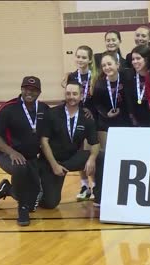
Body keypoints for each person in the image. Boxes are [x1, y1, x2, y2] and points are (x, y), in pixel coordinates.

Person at [0, 76, 50, 226]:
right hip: (8, 155)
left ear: (39, 92)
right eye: (26, 89)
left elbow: (62, 116)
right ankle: (22, 208)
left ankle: (7, 189)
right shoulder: (8, 108)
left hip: (32, 158)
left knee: (35, 200)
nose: (30, 92)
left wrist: (85, 111)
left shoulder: (43, 109)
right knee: (20, 167)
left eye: (34, 90)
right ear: (21, 89)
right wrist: (11, 152)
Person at [39, 80, 105, 210]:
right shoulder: (52, 114)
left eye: (75, 94)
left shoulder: (86, 117)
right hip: (52, 161)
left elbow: (95, 143)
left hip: (71, 159)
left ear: (81, 96)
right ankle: (14, 190)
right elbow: (43, 141)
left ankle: (99, 197)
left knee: (100, 157)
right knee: (50, 203)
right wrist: (54, 165)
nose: (71, 97)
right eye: (68, 93)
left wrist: (91, 159)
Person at [63, 45, 98, 202]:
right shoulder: (71, 77)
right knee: (79, 151)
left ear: (90, 60)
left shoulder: (96, 76)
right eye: (78, 56)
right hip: (76, 118)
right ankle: (84, 186)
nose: (80, 60)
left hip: (92, 118)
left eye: (84, 57)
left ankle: (96, 185)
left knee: (92, 153)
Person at [92, 52, 132, 149]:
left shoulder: (127, 78)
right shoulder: (99, 84)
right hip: (108, 123)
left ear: (117, 65)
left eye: (109, 64)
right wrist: (106, 113)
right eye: (104, 65)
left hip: (126, 122)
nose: (107, 67)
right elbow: (97, 103)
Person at [124, 45, 150, 127]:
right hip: (135, 119)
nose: (135, 62)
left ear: (146, 59)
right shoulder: (128, 75)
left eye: (138, 58)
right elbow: (128, 98)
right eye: (133, 59)